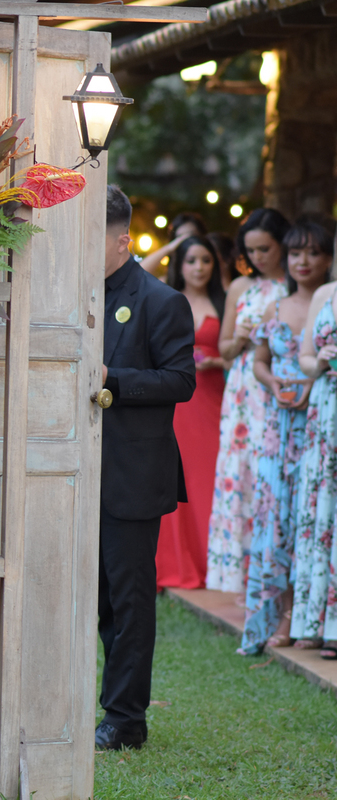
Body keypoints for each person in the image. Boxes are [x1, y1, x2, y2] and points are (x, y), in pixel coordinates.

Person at [96, 186, 195, 751]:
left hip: (131, 475)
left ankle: (126, 718)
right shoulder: (74, 295)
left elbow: (182, 380)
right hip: (75, 471)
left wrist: (113, 377)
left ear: (122, 239)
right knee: (97, 604)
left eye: (94, 239)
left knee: (129, 604)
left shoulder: (160, 301)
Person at [239, 219, 329, 654]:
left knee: (310, 518)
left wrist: (312, 386)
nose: (303, 261)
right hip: (277, 428)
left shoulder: (331, 304)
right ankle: (279, 610)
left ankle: (303, 615)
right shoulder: (275, 307)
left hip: (318, 426)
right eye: (296, 253)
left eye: (313, 253)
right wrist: (273, 382)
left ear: (328, 258)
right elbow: (258, 360)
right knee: (277, 522)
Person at [206, 208, 291, 592]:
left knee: (272, 473)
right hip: (242, 391)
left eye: (265, 249)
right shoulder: (241, 288)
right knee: (240, 472)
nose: (258, 257)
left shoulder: (295, 285)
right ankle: (239, 575)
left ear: (282, 245)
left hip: (279, 384)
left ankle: (274, 576)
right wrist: (242, 336)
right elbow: (223, 351)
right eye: (251, 250)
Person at [155, 236, 226, 589]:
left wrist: (218, 360)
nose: (199, 268)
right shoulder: (166, 299)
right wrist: (171, 245)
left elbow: (241, 352)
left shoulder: (225, 300)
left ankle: (213, 563)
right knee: (176, 479)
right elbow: (138, 269)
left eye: (206, 260)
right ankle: (175, 564)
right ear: (179, 265)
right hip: (179, 403)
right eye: (191, 260)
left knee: (210, 479)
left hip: (214, 401)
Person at [284, 219, 337, 653]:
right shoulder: (325, 294)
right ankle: (313, 621)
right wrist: (318, 361)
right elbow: (303, 357)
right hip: (324, 408)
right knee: (320, 510)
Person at [142, 211, 209, 277]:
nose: (199, 268)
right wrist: (169, 248)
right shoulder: (168, 282)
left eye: (191, 236)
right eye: (180, 238)